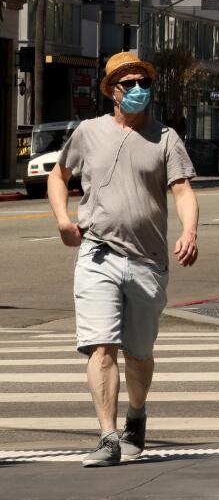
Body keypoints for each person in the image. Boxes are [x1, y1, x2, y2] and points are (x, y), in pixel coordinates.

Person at [47, 51, 199, 467]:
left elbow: (182, 190)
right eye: (128, 84)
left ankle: (136, 414)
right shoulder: (89, 132)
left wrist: (188, 231)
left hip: (148, 260)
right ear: (112, 91)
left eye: (142, 83)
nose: (136, 90)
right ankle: (107, 436)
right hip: (97, 254)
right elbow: (58, 176)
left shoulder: (166, 137)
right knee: (102, 347)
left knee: (139, 353)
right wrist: (63, 220)